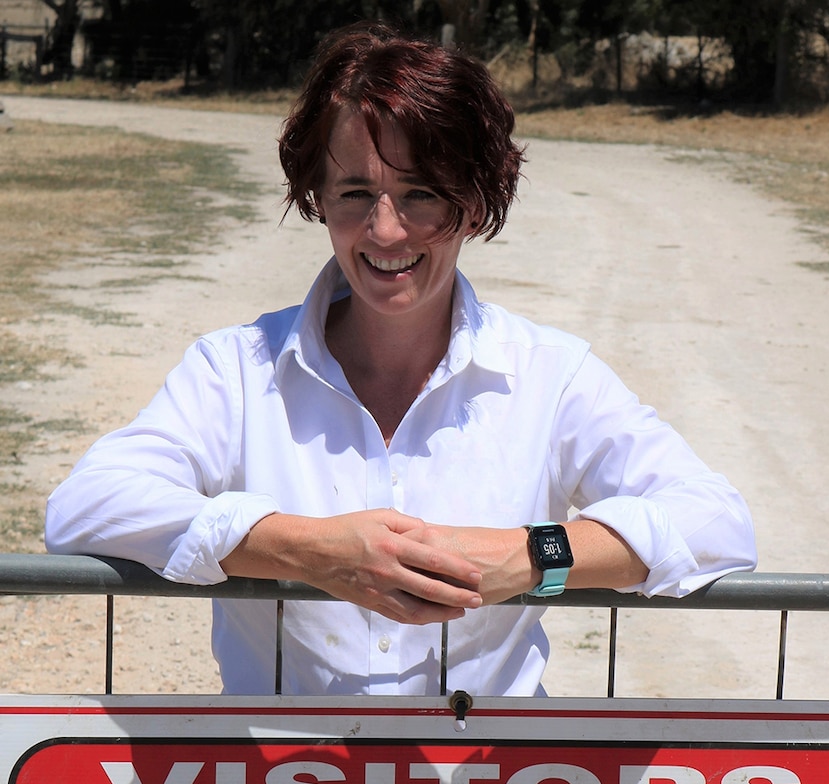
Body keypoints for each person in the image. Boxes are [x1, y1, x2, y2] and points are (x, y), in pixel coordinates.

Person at [45, 23, 756, 697]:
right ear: (316, 197)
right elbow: (86, 505)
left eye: (421, 194)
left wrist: (531, 558)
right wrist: (307, 549)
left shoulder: (551, 375)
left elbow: (716, 523)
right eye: (356, 193)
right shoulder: (234, 369)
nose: (386, 230)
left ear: (476, 205)